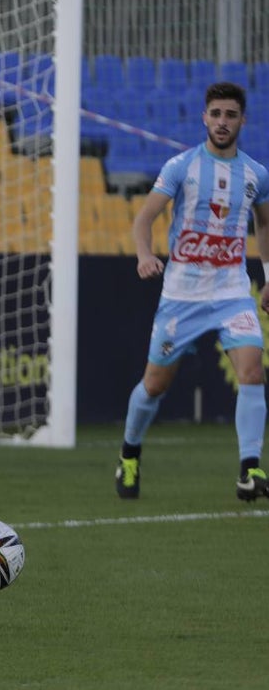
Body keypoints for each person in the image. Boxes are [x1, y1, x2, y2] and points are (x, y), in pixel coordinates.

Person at [115, 81, 269, 502]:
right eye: (215, 114)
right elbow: (144, 218)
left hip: (232, 292)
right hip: (182, 296)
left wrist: (268, 275)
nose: (222, 122)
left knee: (253, 369)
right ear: (205, 117)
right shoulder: (181, 167)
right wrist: (144, 255)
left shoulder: (256, 174)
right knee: (155, 384)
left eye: (230, 115)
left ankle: (248, 470)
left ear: (242, 120)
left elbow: (265, 224)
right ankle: (129, 454)